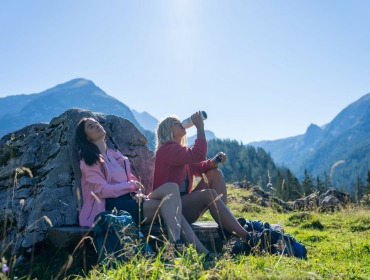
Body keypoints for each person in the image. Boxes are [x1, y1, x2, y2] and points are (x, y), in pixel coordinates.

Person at [75, 117, 211, 255]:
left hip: (132, 199)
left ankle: (179, 245)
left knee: (171, 188)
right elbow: (102, 190)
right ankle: (193, 250)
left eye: (96, 123)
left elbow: (130, 178)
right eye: (91, 127)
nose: (96, 126)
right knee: (171, 207)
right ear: (86, 137)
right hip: (114, 207)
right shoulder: (89, 160)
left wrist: (136, 189)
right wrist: (130, 186)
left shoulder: (114, 154)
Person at [153, 111, 252, 242]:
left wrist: (213, 162)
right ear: (167, 129)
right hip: (171, 210)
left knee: (215, 174)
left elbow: (197, 167)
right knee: (208, 194)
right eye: (176, 124)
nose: (182, 124)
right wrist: (200, 128)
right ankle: (248, 238)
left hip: (184, 205)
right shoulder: (166, 150)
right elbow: (197, 154)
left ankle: (226, 228)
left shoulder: (179, 150)